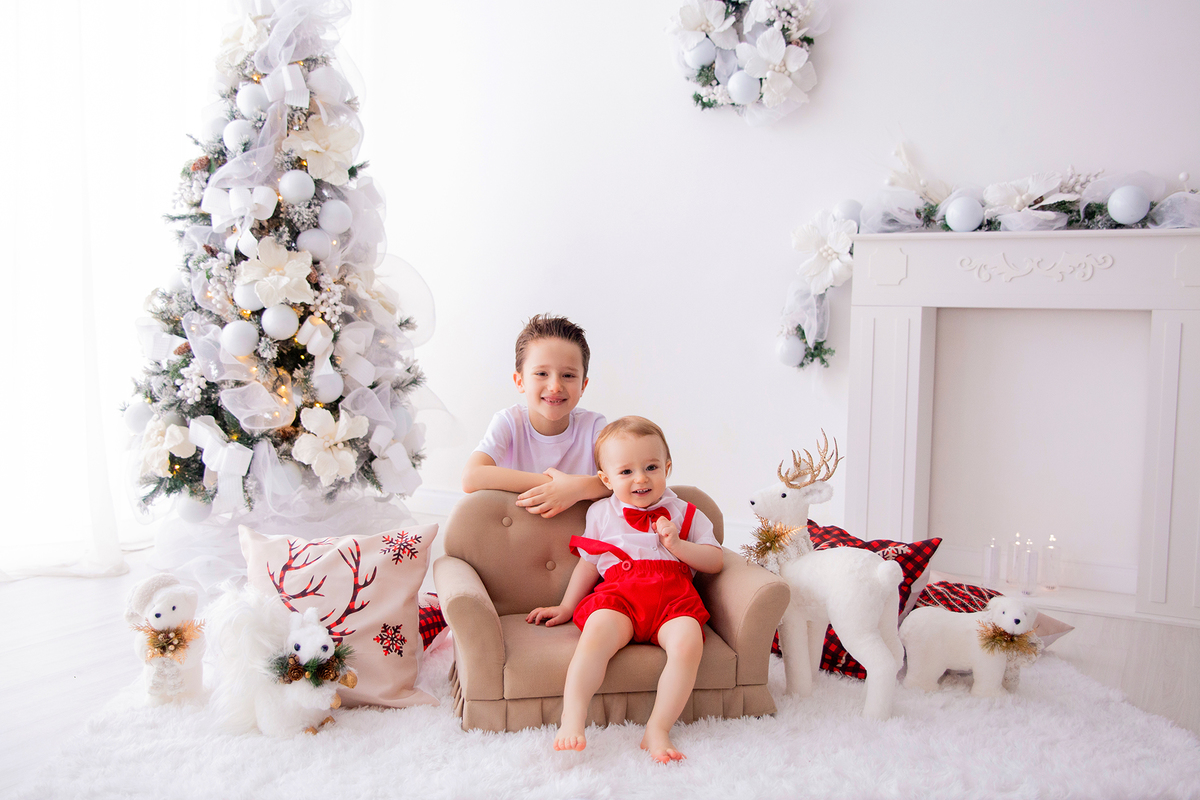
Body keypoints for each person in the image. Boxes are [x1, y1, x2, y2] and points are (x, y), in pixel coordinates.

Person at [526, 416, 724, 763]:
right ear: (606, 479)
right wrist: (567, 607)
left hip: (673, 600)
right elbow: (588, 564)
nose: (641, 479)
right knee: (596, 634)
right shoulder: (602, 512)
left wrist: (678, 546)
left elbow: (714, 561)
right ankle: (572, 717)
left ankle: (658, 727)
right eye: (626, 472)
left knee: (688, 642)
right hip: (621, 597)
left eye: (651, 467)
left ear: (667, 467)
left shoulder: (688, 513)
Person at [462, 314, 610, 517]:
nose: (555, 386)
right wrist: (560, 486)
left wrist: (575, 488)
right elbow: (472, 476)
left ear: (583, 385)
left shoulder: (594, 425)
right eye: (541, 373)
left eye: (568, 375)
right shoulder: (509, 422)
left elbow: (622, 481)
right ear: (520, 381)